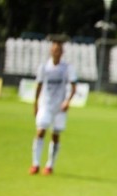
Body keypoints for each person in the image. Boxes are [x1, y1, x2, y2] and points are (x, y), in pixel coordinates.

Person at [30, 38, 77, 175]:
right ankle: (35, 163)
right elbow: (38, 86)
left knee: (55, 135)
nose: (57, 52)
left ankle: (50, 165)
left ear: (62, 52)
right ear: (51, 50)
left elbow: (74, 87)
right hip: (45, 105)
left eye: (59, 50)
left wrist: (67, 101)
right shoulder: (44, 67)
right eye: (55, 49)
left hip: (60, 107)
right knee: (40, 131)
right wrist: (35, 104)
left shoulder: (67, 68)